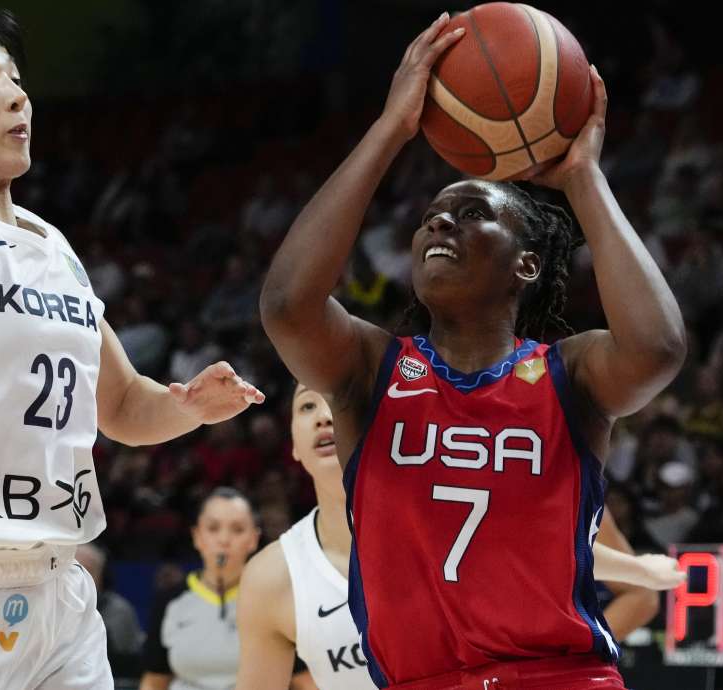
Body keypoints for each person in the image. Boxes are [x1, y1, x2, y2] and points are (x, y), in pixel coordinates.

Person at [0, 5, 264, 689]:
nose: (15, 93)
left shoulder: (52, 247)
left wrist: (191, 409)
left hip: (58, 594)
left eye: (16, 78)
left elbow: (120, 404)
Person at [260, 13, 686, 689]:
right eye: (433, 212)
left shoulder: (568, 375)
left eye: (472, 212)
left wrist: (582, 178)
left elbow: (659, 347)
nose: (440, 220)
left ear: (525, 266)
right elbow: (287, 305)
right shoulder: (369, 372)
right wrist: (389, 129)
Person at [236, 386, 685, 690]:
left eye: (339, 400)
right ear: (291, 443)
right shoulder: (272, 576)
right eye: (306, 405)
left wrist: (642, 570)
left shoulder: (456, 510)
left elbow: (534, 550)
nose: (324, 417)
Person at [140, 488, 261, 690]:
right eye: (213, 528)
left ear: (254, 539)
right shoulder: (170, 602)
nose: (224, 540)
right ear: (197, 536)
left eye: (238, 529)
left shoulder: (273, 601)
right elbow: (154, 681)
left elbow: (302, 680)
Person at [76, 542, 145, 655]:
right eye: (74, 570)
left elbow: (107, 652)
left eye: (88, 570)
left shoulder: (119, 610)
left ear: (101, 577)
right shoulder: (52, 606)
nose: (80, 578)